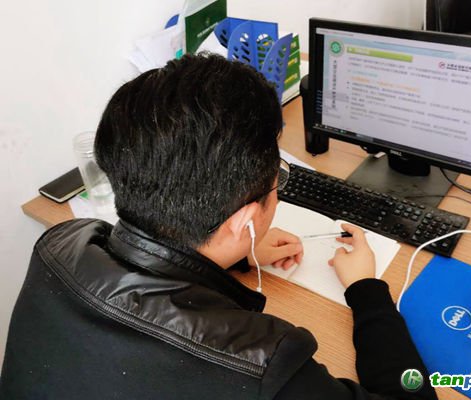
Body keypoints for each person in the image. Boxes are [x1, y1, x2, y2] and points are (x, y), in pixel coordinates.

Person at [0, 53, 437, 400]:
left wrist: (235, 255)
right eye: (278, 181)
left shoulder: (60, 242)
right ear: (243, 222)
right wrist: (367, 291)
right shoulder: (263, 364)